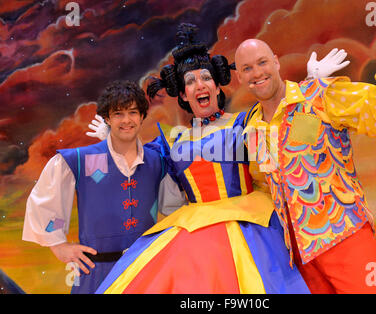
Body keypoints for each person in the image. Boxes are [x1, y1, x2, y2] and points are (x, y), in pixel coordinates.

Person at [94, 23, 350, 294]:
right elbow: (134, 164)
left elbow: (298, 141)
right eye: (190, 82)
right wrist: (113, 140)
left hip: (253, 228)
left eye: (205, 78)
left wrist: (309, 89)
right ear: (183, 94)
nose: (199, 85)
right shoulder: (172, 140)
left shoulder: (246, 122)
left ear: (216, 86)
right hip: (192, 234)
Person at [235, 11, 376, 293]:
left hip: (345, 237)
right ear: (239, 78)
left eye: (262, 62)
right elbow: (269, 185)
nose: (257, 73)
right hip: (300, 257)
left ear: (276, 63)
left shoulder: (321, 96)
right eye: (247, 69)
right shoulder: (253, 129)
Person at [22, 80, 170, 293]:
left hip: (144, 273)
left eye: (133, 112)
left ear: (142, 116)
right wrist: (58, 245)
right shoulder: (84, 159)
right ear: (107, 118)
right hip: (95, 274)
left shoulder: (157, 162)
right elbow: (48, 203)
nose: (127, 120)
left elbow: (173, 206)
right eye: (118, 113)